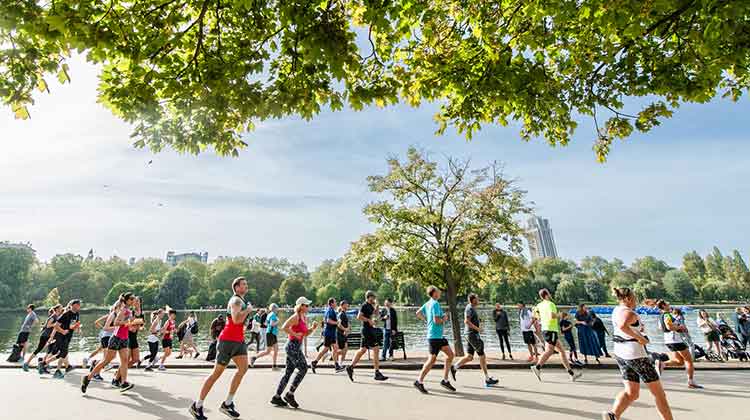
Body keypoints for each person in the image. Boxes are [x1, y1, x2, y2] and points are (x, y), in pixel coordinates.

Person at [602, 287, 674, 420]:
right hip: (636, 356)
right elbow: (623, 325)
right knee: (659, 394)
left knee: (632, 393)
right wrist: (640, 338)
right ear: (628, 298)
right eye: (634, 297)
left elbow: (624, 325)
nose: (636, 300)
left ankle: (613, 415)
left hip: (622, 354)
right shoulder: (629, 313)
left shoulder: (617, 310)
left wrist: (648, 304)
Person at [189, 277, 253, 420]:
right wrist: (248, 310)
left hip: (239, 342)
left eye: (246, 284)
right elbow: (236, 319)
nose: (246, 286)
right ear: (236, 288)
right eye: (244, 284)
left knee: (243, 369)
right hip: (228, 341)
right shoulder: (236, 301)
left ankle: (227, 403)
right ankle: (197, 405)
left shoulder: (241, 301)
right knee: (216, 374)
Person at [82, 293, 137, 393]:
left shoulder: (129, 310)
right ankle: (88, 377)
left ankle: (123, 383)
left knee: (124, 360)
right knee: (106, 360)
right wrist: (127, 322)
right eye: (132, 299)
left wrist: (132, 325)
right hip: (116, 338)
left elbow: (126, 324)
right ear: (127, 300)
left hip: (124, 338)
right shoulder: (123, 309)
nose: (134, 300)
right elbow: (116, 323)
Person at [270, 296, 318, 409]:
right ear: (301, 306)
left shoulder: (303, 317)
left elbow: (305, 334)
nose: (308, 307)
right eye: (306, 305)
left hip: (296, 346)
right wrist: (295, 334)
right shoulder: (296, 317)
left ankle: (276, 397)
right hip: (292, 346)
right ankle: (289, 394)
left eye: (308, 305)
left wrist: (313, 328)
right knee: (304, 368)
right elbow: (284, 327)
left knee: (289, 372)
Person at [530, 289, 582, 382]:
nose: (550, 294)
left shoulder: (539, 305)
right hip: (551, 330)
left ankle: (571, 374)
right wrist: (560, 314)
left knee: (561, 351)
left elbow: (535, 316)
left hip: (546, 329)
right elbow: (552, 316)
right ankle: (537, 367)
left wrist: (541, 319)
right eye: (549, 293)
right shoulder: (550, 304)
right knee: (549, 351)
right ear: (547, 294)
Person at [413, 285, 455, 394]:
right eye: (438, 291)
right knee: (431, 360)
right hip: (434, 337)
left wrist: (426, 321)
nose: (440, 293)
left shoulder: (428, 303)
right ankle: (419, 381)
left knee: (450, 355)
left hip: (438, 337)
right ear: (434, 293)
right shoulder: (435, 304)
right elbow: (437, 321)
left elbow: (417, 313)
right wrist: (444, 319)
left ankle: (445, 380)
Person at [453, 293, 499, 387]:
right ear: (473, 300)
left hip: (469, 334)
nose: (478, 300)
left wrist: (478, 321)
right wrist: (478, 329)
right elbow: (466, 321)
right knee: (482, 355)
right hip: (472, 335)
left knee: (469, 357)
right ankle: (487, 379)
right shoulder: (470, 308)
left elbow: (470, 320)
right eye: (477, 299)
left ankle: (454, 367)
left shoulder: (470, 308)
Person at [656, 299, 702, 389]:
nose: (669, 304)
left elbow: (660, 328)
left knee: (679, 361)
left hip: (668, 341)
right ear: (664, 306)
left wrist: (676, 327)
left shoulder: (661, 316)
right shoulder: (667, 315)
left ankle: (663, 364)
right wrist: (680, 327)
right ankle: (691, 381)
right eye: (667, 303)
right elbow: (669, 326)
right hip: (675, 340)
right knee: (689, 360)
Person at [344, 291, 388, 382]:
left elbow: (375, 315)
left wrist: (377, 308)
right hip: (367, 330)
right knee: (376, 349)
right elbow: (359, 316)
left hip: (369, 330)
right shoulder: (364, 305)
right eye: (373, 297)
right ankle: (377, 373)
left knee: (363, 350)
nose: (374, 299)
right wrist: (368, 320)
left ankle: (350, 367)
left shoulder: (371, 306)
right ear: (369, 297)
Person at [45, 299, 82, 378]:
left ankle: (44, 364)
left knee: (62, 353)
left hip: (68, 336)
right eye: (78, 305)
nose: (79, 306)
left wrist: (78, 328)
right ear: (73, 305)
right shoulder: (66, 314)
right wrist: (62, 331)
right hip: (61, 336)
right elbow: (56, 325)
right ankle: (57, 371)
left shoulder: (77, 314)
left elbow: (74, 325)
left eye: (79, 305)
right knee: (63, 353)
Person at [24, 305, 61, 372]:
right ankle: (27, 363)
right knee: (39, 349)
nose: (61, 309)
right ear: (57, 309)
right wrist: (55, 324)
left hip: (50, 336)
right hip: (45, 336)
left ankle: (43, 365)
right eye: (60, 308)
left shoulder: (57, 316)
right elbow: (48, 325)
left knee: (51, 350)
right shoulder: (53, 316)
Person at [311, 298, 341, 372]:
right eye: (335, 302)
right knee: (326, 349)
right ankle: (314, 362)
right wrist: (337, 323)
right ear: (331, 303)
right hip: (329, 333)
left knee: (335, 348)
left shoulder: (330, 310)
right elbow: (328, 320)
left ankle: (336, 365)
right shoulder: (330, 310)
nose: (336, 304)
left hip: (331, 333)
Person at [252, 304, 280, 369]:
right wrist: (278, 321)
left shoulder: (269, 314)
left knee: (276, 349)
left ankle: (274, 366)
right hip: (271, 334)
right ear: (274, 309)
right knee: (268, 351)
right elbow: (272, 324)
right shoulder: (273, 315)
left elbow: (266, 324)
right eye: (277, 309)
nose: (277, 310)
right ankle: (254, 357)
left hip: (272, 333)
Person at [127, 297, 144, 367]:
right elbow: (127, 324)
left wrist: (140, 328)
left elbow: (142, 325)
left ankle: (119, 373)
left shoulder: (142, 313)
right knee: (126, 359)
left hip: (134, 337)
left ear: (140, 302)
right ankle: (119, 374)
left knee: (136, 359)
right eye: (135, 301)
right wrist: (131, 327)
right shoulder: (131, 312)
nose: (136, 303)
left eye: (137, 301)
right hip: (128, 337)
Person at [336, 300, 351, 368]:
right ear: (342, 305)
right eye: (346, 304)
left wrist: (348, 329)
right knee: (343, 350)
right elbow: (338, 324)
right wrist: (345, 329)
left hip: (344, 334)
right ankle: (330, 354)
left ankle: (340, 363)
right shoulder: (341, 314)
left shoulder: (344, 314)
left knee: (345, 349)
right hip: (340, 334)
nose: (347, 305)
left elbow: (346, 324)